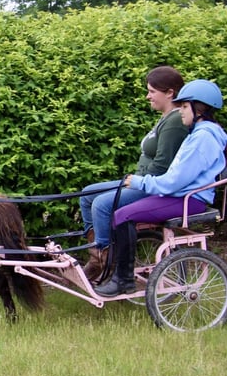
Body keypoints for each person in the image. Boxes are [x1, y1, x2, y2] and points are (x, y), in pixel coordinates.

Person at [94, 79, 227, 297]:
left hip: (187, 200)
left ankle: (123, 281)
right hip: (180, 196)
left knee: (122, 215)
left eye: (185, 106)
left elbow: (174, 181)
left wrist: (141, 182)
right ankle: (116, 274)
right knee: (120, 212)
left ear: (199, 109)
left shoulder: (203, 138)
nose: (181, 111)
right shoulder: (199, 134)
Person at [79, 66, 188, 281]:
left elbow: (162, 166)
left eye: (152, 91)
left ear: (170, 93)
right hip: (141, 180)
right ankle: (97, 253)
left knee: (101, 204)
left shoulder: (175, 122)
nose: (148, 96)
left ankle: (105, 258)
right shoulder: (167, 118)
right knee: (86, 194)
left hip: (153, 186)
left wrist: (136, 182)